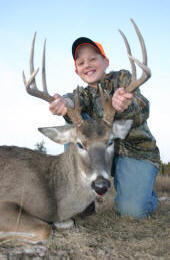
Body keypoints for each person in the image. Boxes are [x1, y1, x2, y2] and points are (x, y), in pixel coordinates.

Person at [49, 37, 160, 219]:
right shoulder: (81, 95)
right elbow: (70, 100)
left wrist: (125, 104)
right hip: (100, 154)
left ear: (105, 62)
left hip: (135, 153)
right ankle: (81, 200)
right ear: (77, 71)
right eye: (81, 62)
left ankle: (145, 192)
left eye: (93, 59)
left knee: (132, 212)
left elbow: (143, 109)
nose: (88, 65)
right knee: (73, 123)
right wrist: (64, 103)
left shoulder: (122, 79)